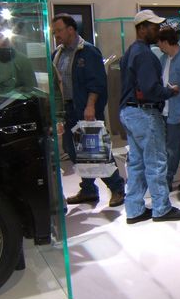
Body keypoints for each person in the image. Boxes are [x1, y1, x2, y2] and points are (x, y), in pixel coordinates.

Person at [119, 10, 180, 224]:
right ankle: (161, 208)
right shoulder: (145, 55)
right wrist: (170, 92)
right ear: (142, 28)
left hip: (129, 112)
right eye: (154, 27)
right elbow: (150, 89)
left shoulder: (131, 51)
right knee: (156, 161)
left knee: (137, 163)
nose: (157, 31)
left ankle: (134, 209)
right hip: (144, 113)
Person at [51, 14, 125, 207]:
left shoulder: (88, 52)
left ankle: (117, 187)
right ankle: (89, 189)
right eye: (54, 31)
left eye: (59, 30)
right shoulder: (57, 54)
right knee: (72, 150)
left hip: (85, 109)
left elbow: (97, 83)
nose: (56, 35)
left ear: (71, 29)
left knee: (95, 151)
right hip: (67, 110)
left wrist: (90, 105)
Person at [157, 26, 180, 191]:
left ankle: (166, 181)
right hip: (165, 110)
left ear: (165, 42)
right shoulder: (163, 59)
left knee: (172, 148)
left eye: (159, 42)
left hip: (178, 112)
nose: (158, 46)